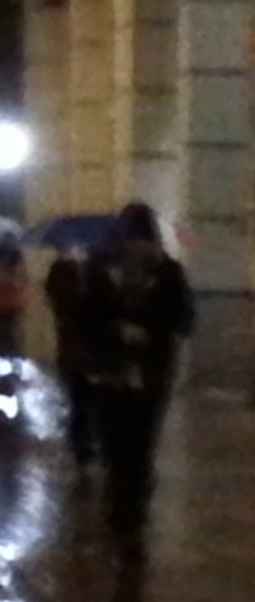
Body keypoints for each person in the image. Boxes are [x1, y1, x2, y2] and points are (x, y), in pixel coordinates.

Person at [84, 203, 195, 554]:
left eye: (142, 239)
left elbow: (184, 318)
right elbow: (86, 318)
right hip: (110, 371)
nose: (136, 247)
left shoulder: (168, 272)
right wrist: (116, 328)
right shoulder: (101, 270)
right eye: (131, 239)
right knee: (114, 440)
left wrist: (150, 328)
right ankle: (119, 502)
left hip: (151, 371)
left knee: (142, 442)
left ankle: (135, 508)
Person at [43, 247, 101, 471]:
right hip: (75, 349)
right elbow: (56, 300)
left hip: (91, 348)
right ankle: (82, 448)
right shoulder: (61, 270)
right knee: (79, 400)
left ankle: (86, 445)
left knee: (88, 401)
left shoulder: (96, 270)